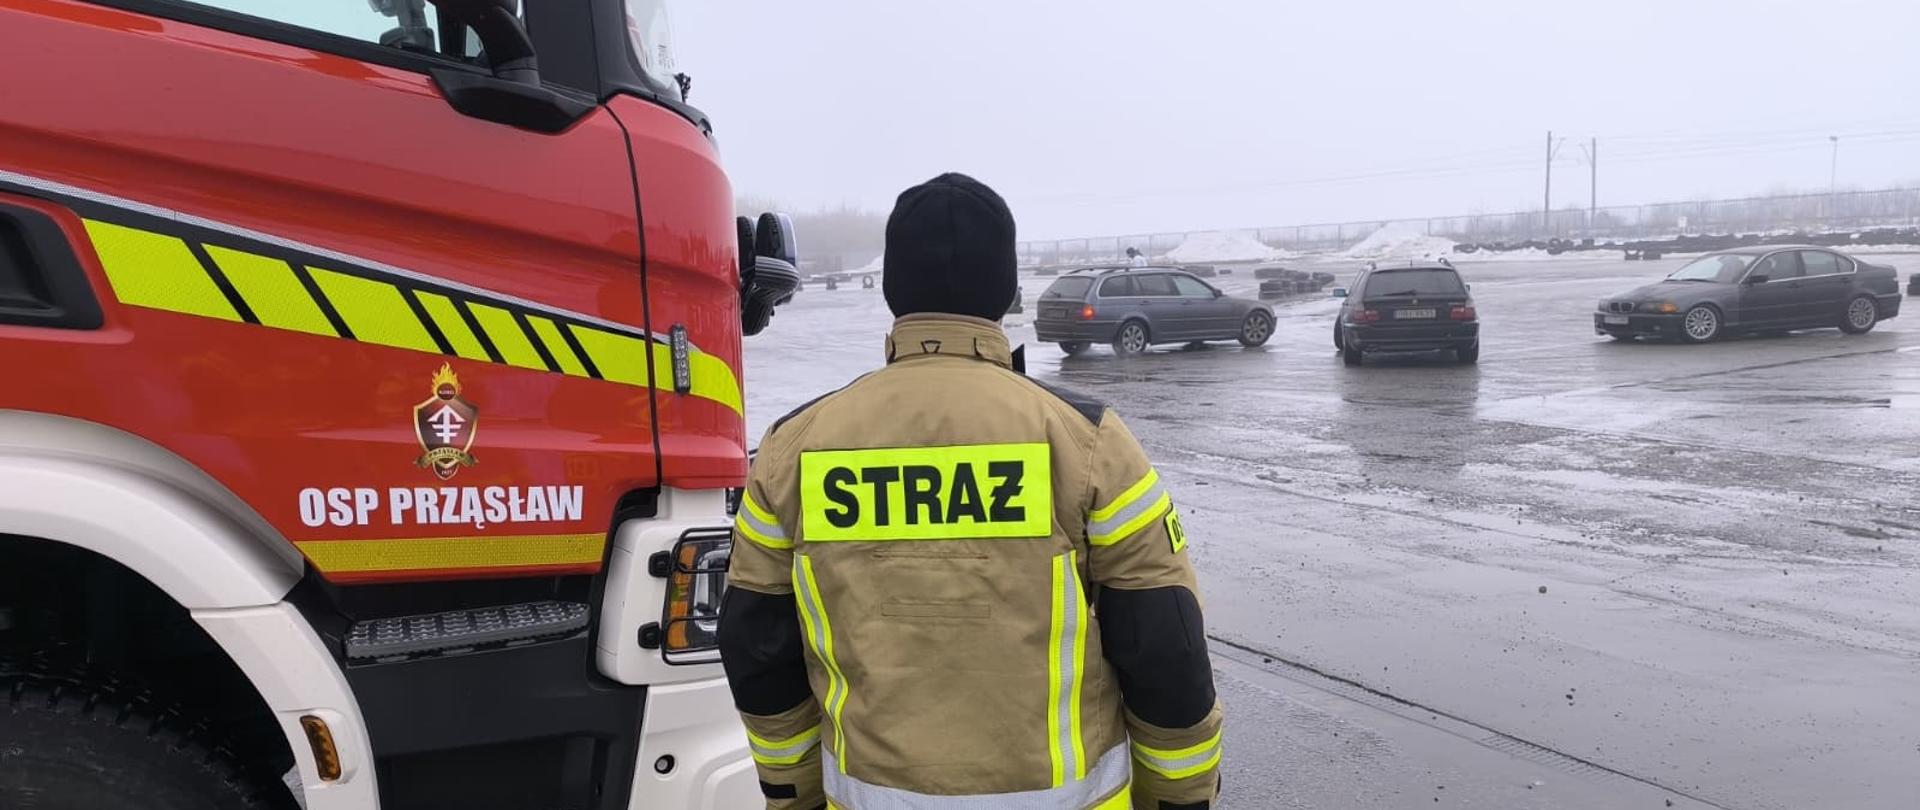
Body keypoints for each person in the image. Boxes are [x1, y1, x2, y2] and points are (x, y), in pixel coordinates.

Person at [718, 173, 1223, 810]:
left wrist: (795, 794)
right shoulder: (1089, 442)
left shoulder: (792, 449)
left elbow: (756, 647)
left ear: (892, 290)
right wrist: (1180, 798)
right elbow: (1166, 646)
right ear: (1007, 292)